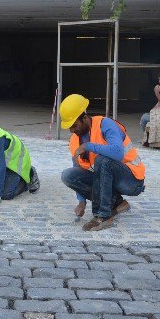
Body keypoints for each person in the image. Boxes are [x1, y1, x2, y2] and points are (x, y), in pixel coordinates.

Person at [60, 94, 145, 231]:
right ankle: (117, 202)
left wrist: (88, 146)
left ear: (85, 118)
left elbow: (117, 153)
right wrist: (81, 201)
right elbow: (78, 168)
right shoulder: (75, 140)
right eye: (69, 127)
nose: (72, 130)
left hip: (132, 180)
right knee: (68, 175)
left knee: (102, 160)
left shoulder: (105, 124)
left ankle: (103, 216)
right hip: (109, 179)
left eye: (74, 125)